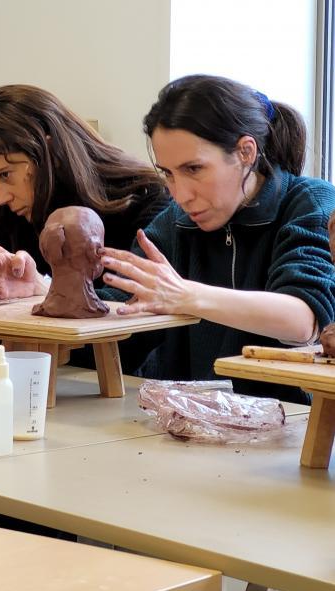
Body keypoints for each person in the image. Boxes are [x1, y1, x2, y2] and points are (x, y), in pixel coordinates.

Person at [99, 74, 335, 402]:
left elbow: (303, 320)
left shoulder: (308, 202)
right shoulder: (175, 221)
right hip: (187, 419)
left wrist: (186, 296)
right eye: (168, 173)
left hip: (290, 423)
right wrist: (44, 291)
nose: (180, 194)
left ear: (245, 152)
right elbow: (118, 304)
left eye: (194, 169)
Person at [0, 84, 168, 285]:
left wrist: (38, 286)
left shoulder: (146, 200)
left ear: (50, 151)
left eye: (5, 175)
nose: (1, 197)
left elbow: (127, 302)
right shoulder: (3, 210)